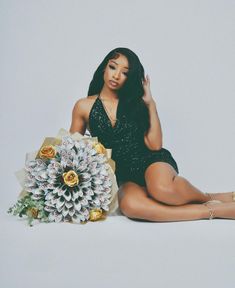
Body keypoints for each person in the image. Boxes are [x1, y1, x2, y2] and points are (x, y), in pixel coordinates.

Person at [69, 47, 235, 222]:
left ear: (129, 78)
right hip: (123, 175)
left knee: (161, 189)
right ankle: (212, 210)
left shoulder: (135, 103)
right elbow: (74, 150)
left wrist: (151, 104)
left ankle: (208, 198)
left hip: (150, 161)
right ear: (104, 67)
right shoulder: (83, 106)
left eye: (124, 73)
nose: (116, 75)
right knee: (131, 206)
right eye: (113, 67)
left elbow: (154, 145)